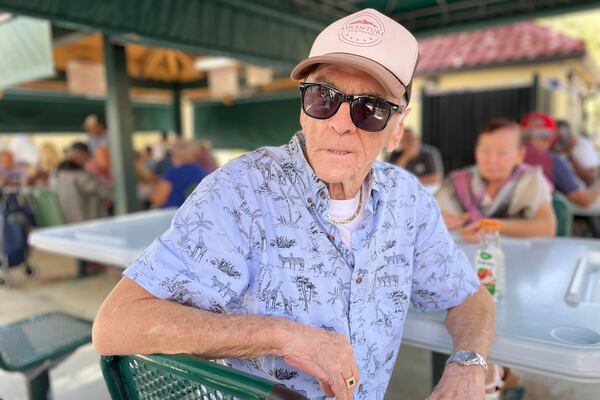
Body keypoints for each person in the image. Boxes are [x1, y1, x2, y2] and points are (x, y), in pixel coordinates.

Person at [93, 9, 494, 400]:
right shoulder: (240, 193)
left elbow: (469, 297)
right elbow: (116, 324)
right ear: (303, 110)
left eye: (370, 109)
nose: (340, 122)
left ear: (397, 129)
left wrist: (467, 365)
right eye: (324, 97)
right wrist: (285, 335)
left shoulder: (408, 201)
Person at [437, 118, 556, 243]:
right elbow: (428, 218)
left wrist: (490, 226)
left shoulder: (530, 179)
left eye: (502, 153)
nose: (492, 161)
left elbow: (547, 228)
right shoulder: (457, 181)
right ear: (476, 151)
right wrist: (439, 221)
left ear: (520, 155)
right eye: (485, 151)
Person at [522, 112, 600, 208]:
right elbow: (584, 200)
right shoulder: (552, 161)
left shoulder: (506, 155)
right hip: (537, 219)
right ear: (550, 137)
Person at [50, 142, 112, 223]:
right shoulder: (80, 176)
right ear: (82, 155)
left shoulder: (55, 175)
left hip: (66, 221)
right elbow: (108, 192)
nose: (88, 161)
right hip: (87, 222)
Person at [150, 139, 207, 208]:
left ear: (175, 154)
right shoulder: (202, 173)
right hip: (196, 215)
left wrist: (154, 186)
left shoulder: (172, 174)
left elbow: (158, 199)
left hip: (172, 216)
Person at [553, 120, 599, 187]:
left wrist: (570, 156)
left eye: (561, 140)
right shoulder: (548, 148)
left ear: (571, 137)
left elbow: (591, 178)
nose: (556, 145)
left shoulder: (582, 145)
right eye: (555, 140)